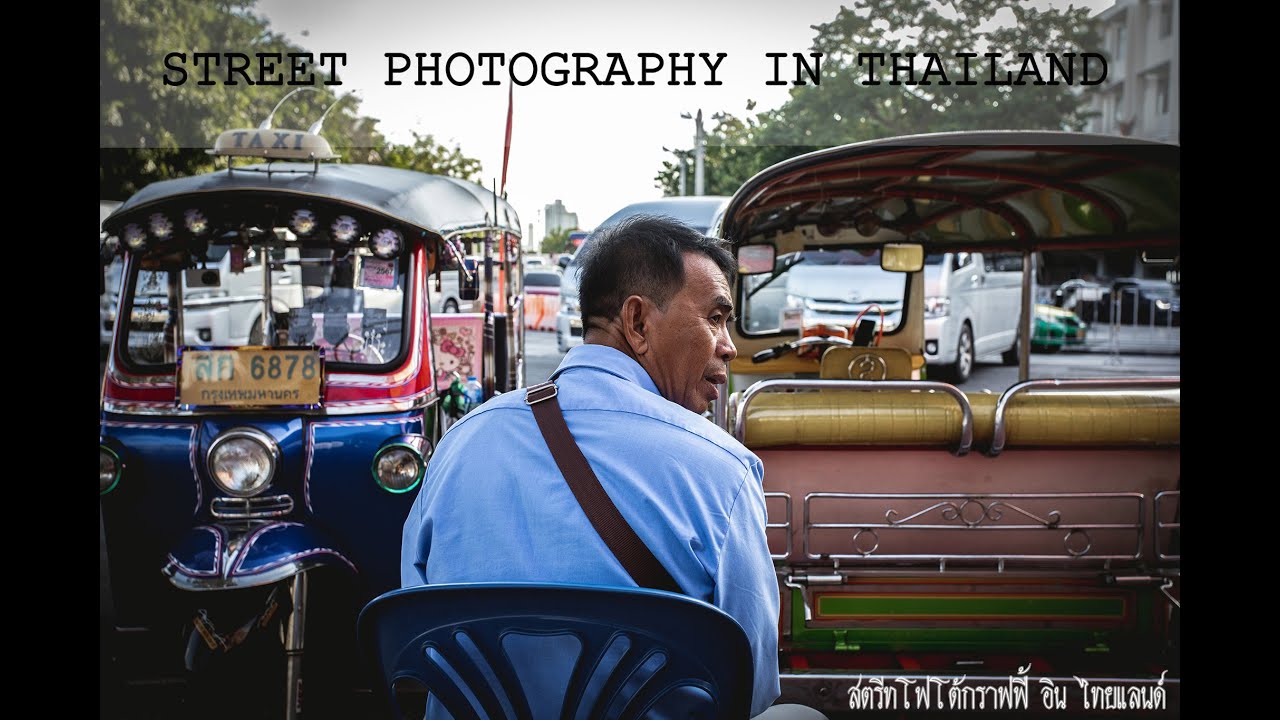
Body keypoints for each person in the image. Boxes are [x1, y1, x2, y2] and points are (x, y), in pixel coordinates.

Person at [402, 216, 826, 719]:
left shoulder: (458, 444)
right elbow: (750, 686)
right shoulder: (722, 472)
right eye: (715, 318)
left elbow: (416, 632)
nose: (729, 345)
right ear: (638, 323)